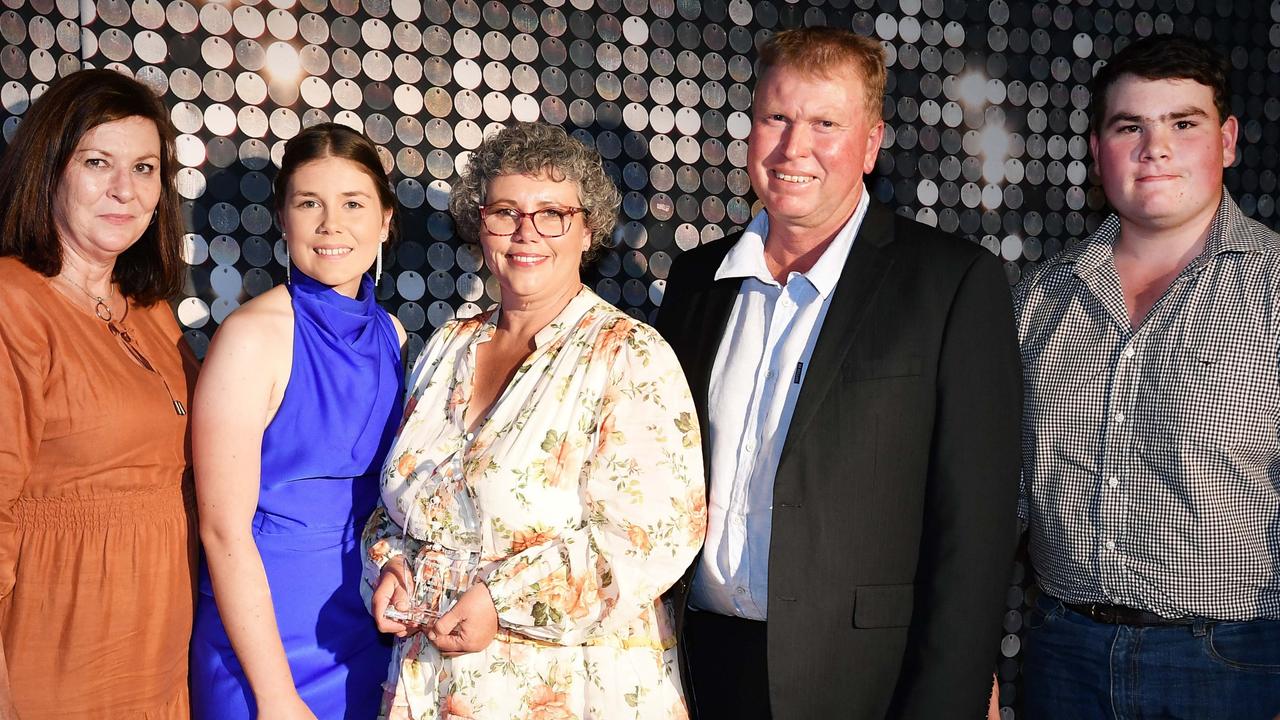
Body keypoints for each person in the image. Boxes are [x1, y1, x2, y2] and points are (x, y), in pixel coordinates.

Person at [654, 27, 1022, 719]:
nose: (795, 148)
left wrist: (951, 697)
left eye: (826, 123)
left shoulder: (950, 283)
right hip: (697, 670)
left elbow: (974, 529)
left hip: (864, 682)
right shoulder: (697, 280)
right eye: (776, 118)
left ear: (872, 141)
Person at [363, 121, 706, 720]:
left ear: (587, 229)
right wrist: (390, 561)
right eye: (506, 212)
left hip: (571, 690)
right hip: (435, 685)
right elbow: (401, 499)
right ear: (480, 226)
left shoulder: (627, 354)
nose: (527, 232)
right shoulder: (448, 345)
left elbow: (655, 536)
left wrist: (498, 599)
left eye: (553, 213)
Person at [1016, 34, 1280, 718]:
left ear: (1226, 140)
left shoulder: (1277, 289)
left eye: (1182, 124)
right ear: (1098, 148)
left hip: (1240, 666)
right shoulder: (1039, 301)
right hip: (1060, 657)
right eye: (1129, 126)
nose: (1154, 148)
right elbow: (994, 502)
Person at [190, 123, 405, 719]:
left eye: (353, 204)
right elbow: (221, 531)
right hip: (264, 646)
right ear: (282, 219)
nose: (331, 224)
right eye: (309, 203)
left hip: (365, 628)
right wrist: (275, 694)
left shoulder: (393, 335)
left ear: (385, 220)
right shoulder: (251, 336)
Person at [0, 69, 196, 716]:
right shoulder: (12, 302)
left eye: (144, 168)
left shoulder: (152, 313)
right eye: (97, 162)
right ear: (50, 167)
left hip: (159, 657)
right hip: (57, 655)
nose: (125, 189)